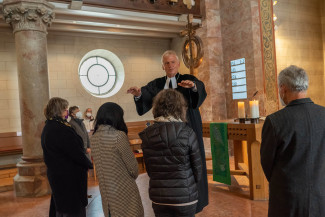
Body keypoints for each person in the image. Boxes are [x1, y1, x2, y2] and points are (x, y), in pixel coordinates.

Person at [127, 50, 208, 213]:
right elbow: (145, 97)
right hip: (163, 134)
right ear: (162, 66)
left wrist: (192, 88)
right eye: (166, 63)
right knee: (167, 166)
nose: (170, 65)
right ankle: (169, 199)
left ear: (178, 64)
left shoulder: (188, 79)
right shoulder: (157, 84)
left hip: (187, 129)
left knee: (192, 162)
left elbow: (198, 92)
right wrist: (138, 95)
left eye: (172, 62)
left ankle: (194, 200)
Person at [260, 65, 325, 217]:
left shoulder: (275, 121)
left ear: (283, 88)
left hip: (287, 198)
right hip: (320, 195)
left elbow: (267, 162)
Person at [139, 89, 202, 217]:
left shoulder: (147, 134)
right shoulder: (188, 133)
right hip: (185, 195)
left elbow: (150, 169)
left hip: (160, 196)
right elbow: (198, 169)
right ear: (180, 108)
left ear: (157, 107)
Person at [41, 97, 93, 217]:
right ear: (58, 110)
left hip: (58, 174)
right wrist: (87, 163)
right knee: (71, 209)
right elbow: (75, 152)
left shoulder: (49, 126)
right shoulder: (60, 129)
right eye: (65, 109)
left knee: (61, 206)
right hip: (68, 176)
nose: (67, 112)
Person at [90, 102, 144, 217]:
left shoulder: (94, 138)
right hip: (124, 192)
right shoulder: (118, 136)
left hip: (107, 194)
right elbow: (133, 169)